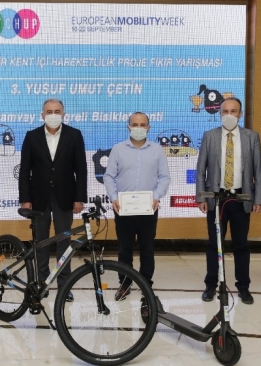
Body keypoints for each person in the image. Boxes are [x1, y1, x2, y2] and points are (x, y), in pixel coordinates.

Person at [196, 97, 261, 305]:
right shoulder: (210, 136)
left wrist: (259, 199)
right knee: (213, 244)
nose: (229, 115)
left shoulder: (251, 137)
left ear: (240, 114)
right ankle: (211, 285)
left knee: (241, 244)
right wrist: (201, 196)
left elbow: (259, 170)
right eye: (225, 111)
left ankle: (243, 287)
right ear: (220, 113)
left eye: (233, 111)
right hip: (216, 199)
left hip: (241, 198)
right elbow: (201, 170)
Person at [18, 98, 88, 302]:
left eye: (57, 111)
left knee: (64, 242)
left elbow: (81, 169)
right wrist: (25, 199)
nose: (53, 115)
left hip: (65, 197)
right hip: (38, 199)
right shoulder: (32, 136)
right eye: (49, 112)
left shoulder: (74, 135)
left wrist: (79, 198)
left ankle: (64, 285)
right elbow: (24, 171)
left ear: (63, 114)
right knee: (41, 242)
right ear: (42, 115)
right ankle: (42, 282)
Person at [104, 112, 170, 301]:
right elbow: (109, 176)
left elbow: (165, 177)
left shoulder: (157, 150)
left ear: (148, 127)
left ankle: (146, 284)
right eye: (135, 124)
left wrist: (156, 196)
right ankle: (125, 284)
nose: (138, 128)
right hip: (123, 209)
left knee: (147, 249)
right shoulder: (118, 149)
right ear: (128, 127)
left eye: (142, 125)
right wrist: (114, 197)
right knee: (124, 249)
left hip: (148, 208)